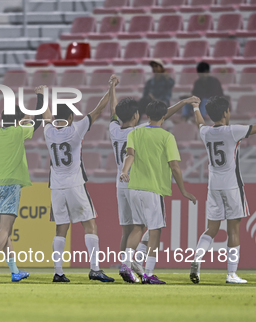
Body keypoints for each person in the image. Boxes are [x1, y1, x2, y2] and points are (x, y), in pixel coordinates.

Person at [111, 85, 200, 283]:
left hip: (133, 187)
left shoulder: (134, 133)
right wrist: (183, 190)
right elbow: (175, 167)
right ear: (162, 117)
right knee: (155, 231)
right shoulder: (167, 136)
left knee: (137, 228)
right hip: (153, 189)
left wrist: (124, 172)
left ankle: (126, 264)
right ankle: (148, 274)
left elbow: (130, 155)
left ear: (145, 115)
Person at [45, 77, 115, 283]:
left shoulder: (48, 132)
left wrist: (42, 96)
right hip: (75, 184)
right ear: (69, 117)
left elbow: (46, 117)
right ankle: (94, 269)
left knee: (60, 229)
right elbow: (98, 109)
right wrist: (110, 88)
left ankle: (58, 273)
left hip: (56, 187)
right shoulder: (76, 129)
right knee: (90, 224)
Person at [0, 87, 48, 283]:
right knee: (6, 229)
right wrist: (40, 96)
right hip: (10, 184)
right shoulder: (19, 132)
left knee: (3, 230)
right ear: (17, 120)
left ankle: (14, 271)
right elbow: (40, 120)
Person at [189, 96, 255, 284]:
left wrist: (195, 108)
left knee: (211, 228)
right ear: (226, 112)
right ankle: (231, 274)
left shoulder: (207, 133)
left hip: (214, 186)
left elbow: (200, 123)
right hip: (232, 185)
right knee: (233, 229)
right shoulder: (233, 131)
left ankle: (196, 260)